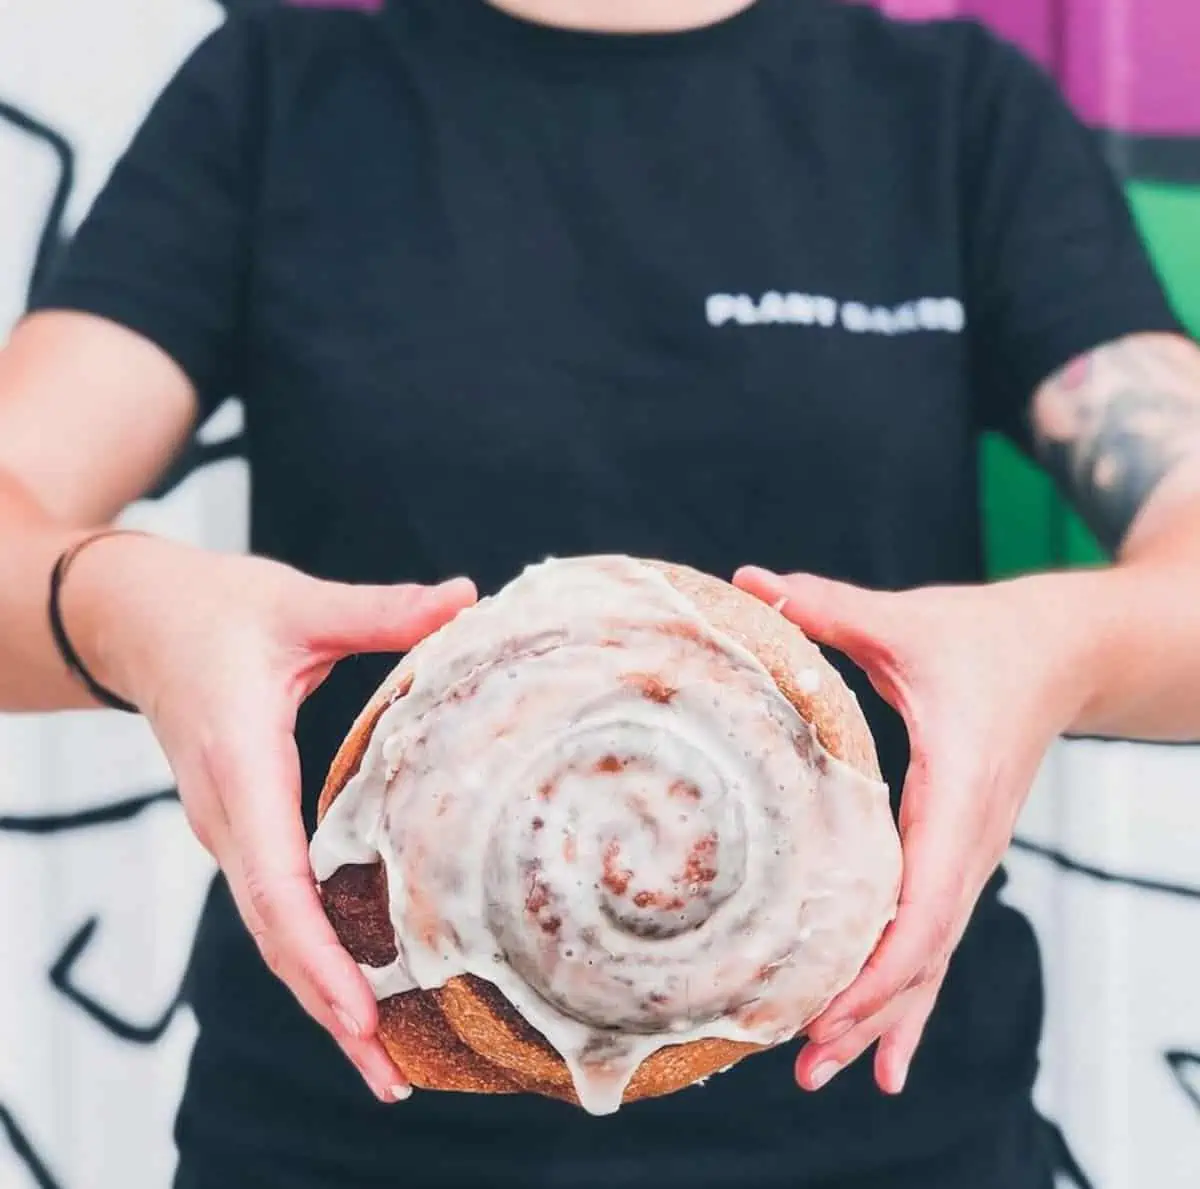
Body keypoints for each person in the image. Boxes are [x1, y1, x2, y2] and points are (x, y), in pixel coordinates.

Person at [1, 0, 1198, 1185]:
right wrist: (125, 613)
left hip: (885, 1140)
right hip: (349, 1139)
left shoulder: (953, 113)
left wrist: (1055, 647)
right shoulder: (278, 91)